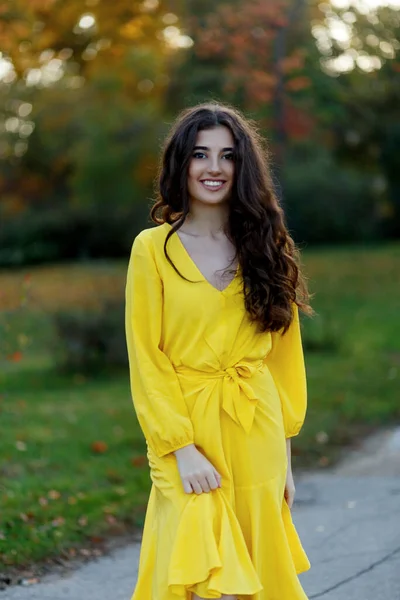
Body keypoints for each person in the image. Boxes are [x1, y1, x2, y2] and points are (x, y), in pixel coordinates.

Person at [125, 101, 314, 600]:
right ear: (181, 163)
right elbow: (148, 358)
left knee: (248, 576)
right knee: (201, 576)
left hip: (257, 431)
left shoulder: (269, 245)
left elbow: (282, 359)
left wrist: (286, 458)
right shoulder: (152, 249)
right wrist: (181, 448)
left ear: (242, 166)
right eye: (200, 155)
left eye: (227, 156)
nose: (213, 168)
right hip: (185, 434)